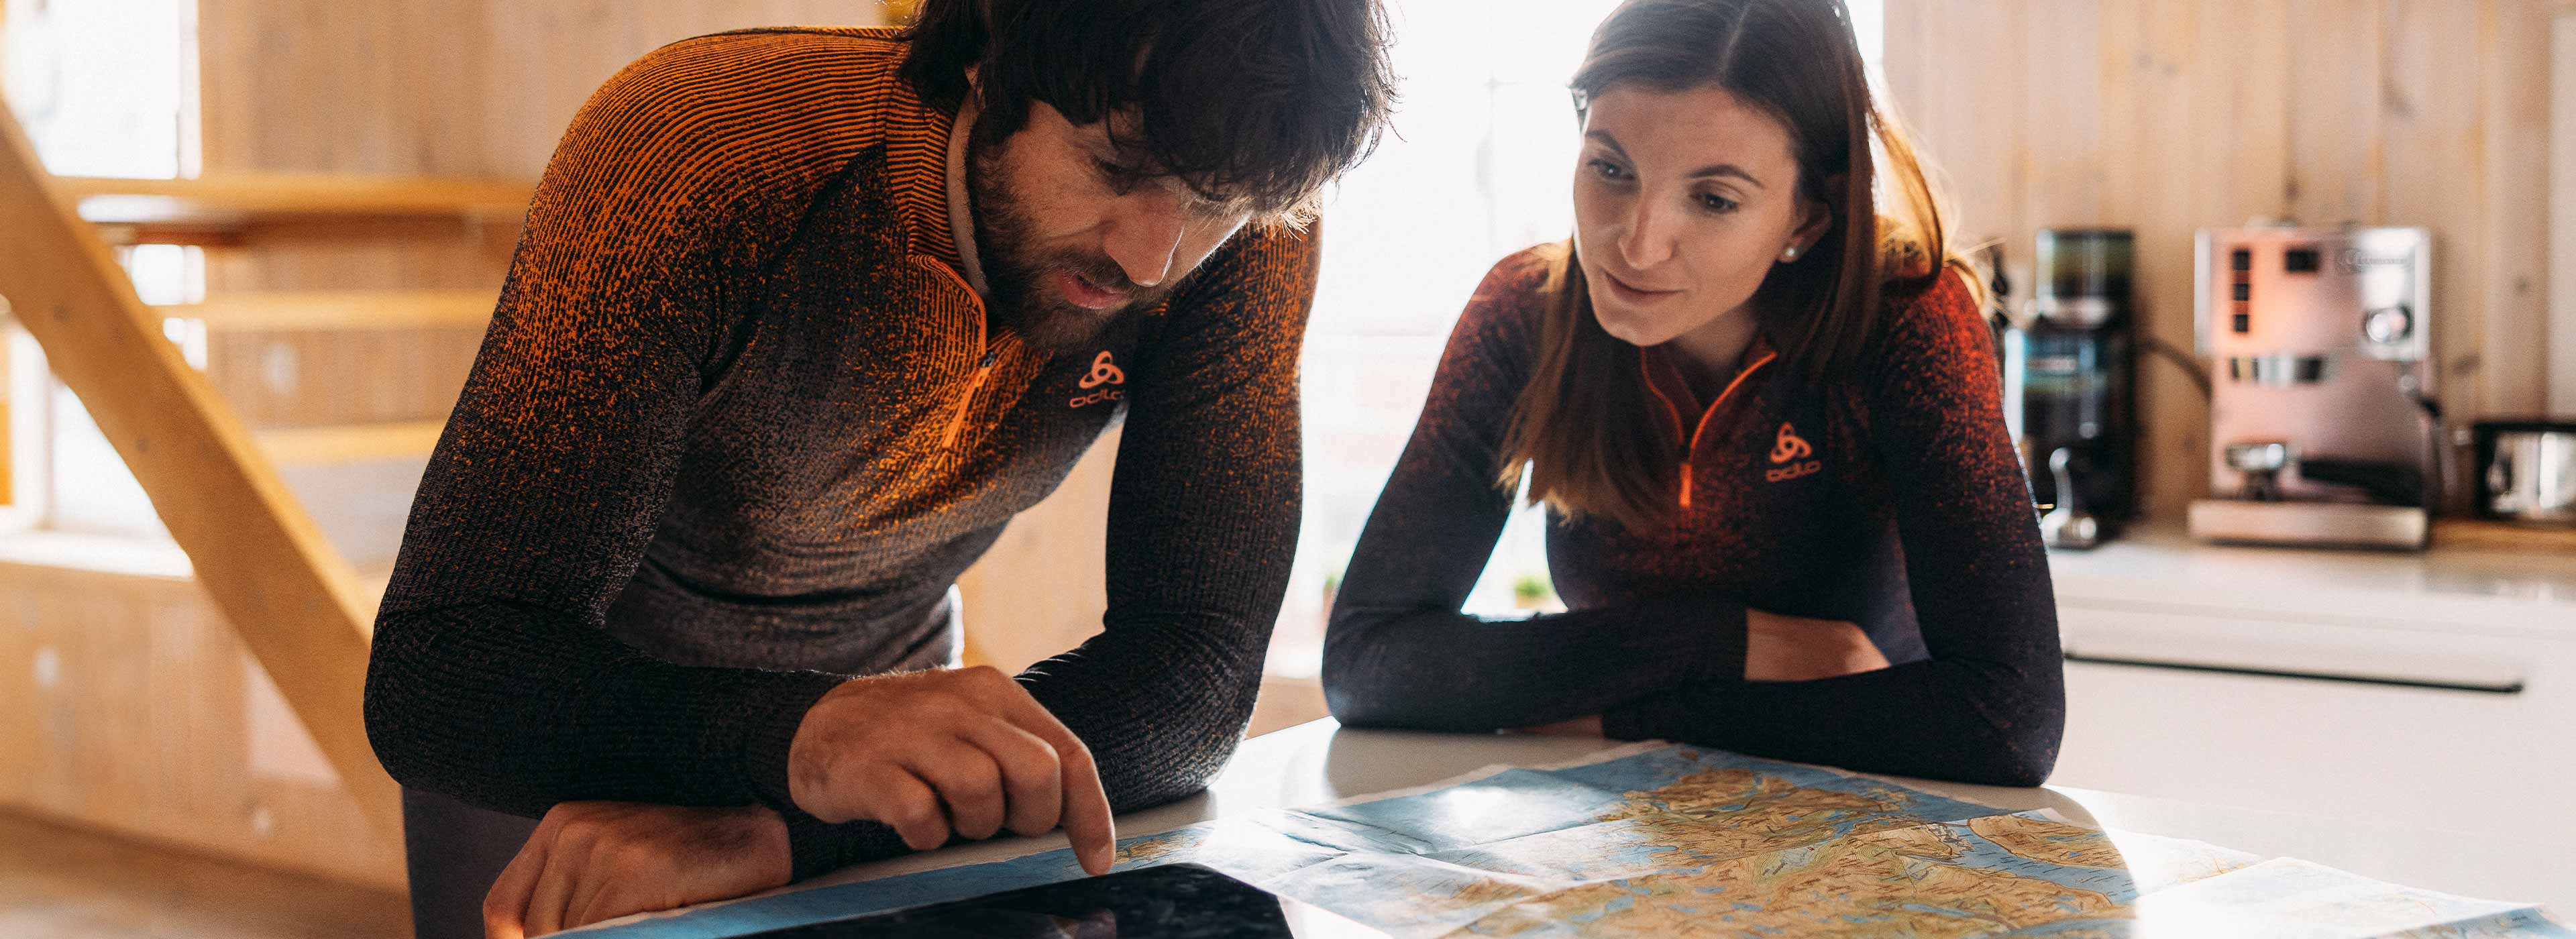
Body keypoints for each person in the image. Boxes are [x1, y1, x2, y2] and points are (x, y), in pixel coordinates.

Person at [360, 1, 1395, 935]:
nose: (1154, 259)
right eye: (1115, 169)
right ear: (992, 59)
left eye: (1212, 203)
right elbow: (443, 673)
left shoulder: (1248, 220)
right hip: (573, 714)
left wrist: (799, 827)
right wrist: (796, 746)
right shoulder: (699, 148)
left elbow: (1197, 679)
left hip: (879, 718)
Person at [1323, 0, 2061, 789]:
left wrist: (1633, 717)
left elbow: (2008, 723)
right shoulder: (1524, 314)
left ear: (1806, 220)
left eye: (1713, 200)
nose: (1636, 244)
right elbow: (1368, 663)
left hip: (1878, 827)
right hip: (1626, 835)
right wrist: (1721, 643)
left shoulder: (1907, 317)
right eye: (1610, 168)